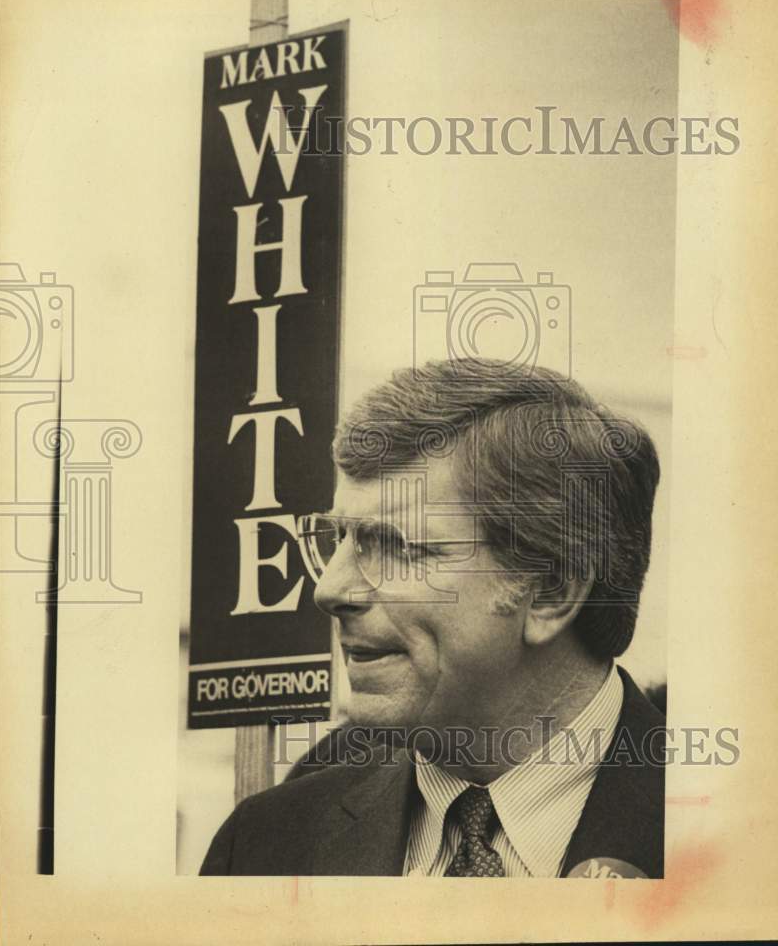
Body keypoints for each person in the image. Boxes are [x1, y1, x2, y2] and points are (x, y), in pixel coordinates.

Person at [201, 359, 665, 878]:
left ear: (551, 593)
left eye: (395, 547)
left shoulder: (734, 830)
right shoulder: (265, 843)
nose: (328, 589)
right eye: (339, 540)